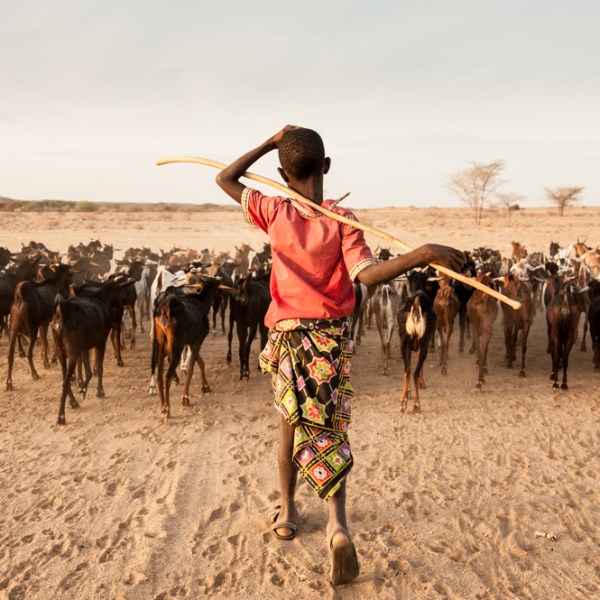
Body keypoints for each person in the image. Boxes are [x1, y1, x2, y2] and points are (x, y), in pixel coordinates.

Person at [215, 125, 464, 586]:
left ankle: (287, 513)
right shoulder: (343, 220)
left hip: (286, 339)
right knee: (329, 428)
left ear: (283, 174)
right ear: (327, 167)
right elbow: (366, 275)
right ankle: (337, 525)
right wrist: (423, 253)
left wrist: (269, 143)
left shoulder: (275, 210)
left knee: (289, 425)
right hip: (328, 342)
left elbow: (225, 179)